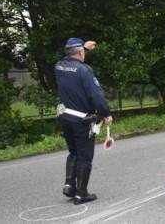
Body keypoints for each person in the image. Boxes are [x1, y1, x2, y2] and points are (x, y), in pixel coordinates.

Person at [55, 38, 112, 205]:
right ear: (79, 52)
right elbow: (96, 96)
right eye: (82, 52)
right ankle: (81, 193)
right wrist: (106, 114)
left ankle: (69, 186)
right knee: (85, 156)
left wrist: (83, 49)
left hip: (65, 117)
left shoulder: (59, 66)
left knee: (74, 152)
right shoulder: (85, 70)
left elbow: (71, 61)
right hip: (82, 121)